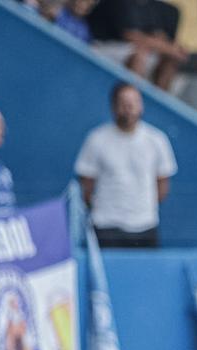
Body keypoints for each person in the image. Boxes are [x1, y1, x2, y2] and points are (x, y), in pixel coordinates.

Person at [74, 83, 177, 248]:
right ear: (113, 106)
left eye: (134, 102)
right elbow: (86, 185)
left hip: (145, 225)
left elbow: (163, 185)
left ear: (141, 105)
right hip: (106, 225)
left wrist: (142, 209)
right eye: (124, 103)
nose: (129, 108)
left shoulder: (157, 140)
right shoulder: (97, 139)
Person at [86, 0, 188, 92]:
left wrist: (170, 49)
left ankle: (158, 104)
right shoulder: (119, 3)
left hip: (126, 49)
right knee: (140, 54)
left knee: (168, 59)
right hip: (99, 48)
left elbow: (156, 36)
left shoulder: (156, 7)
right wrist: (170, 49)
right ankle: (132, 98)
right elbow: (130, 35)